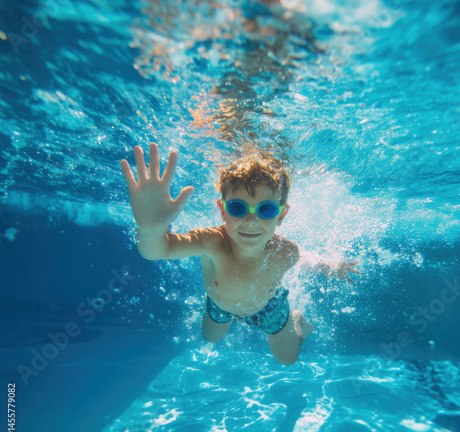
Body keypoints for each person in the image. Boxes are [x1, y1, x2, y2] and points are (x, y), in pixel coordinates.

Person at [121, 143, 359, 365]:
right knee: (210, 338)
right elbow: (158, 250)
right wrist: (151, 229)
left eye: (266, 209)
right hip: (220, 305)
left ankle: (295, 319)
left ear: (282, 215)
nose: (251, 221)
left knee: (287, 359)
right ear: (223, 211)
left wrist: (329, 265)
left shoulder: (284, 251)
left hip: (269, 308)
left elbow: (304, 258)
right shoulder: (211, 241)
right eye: (237, 207)